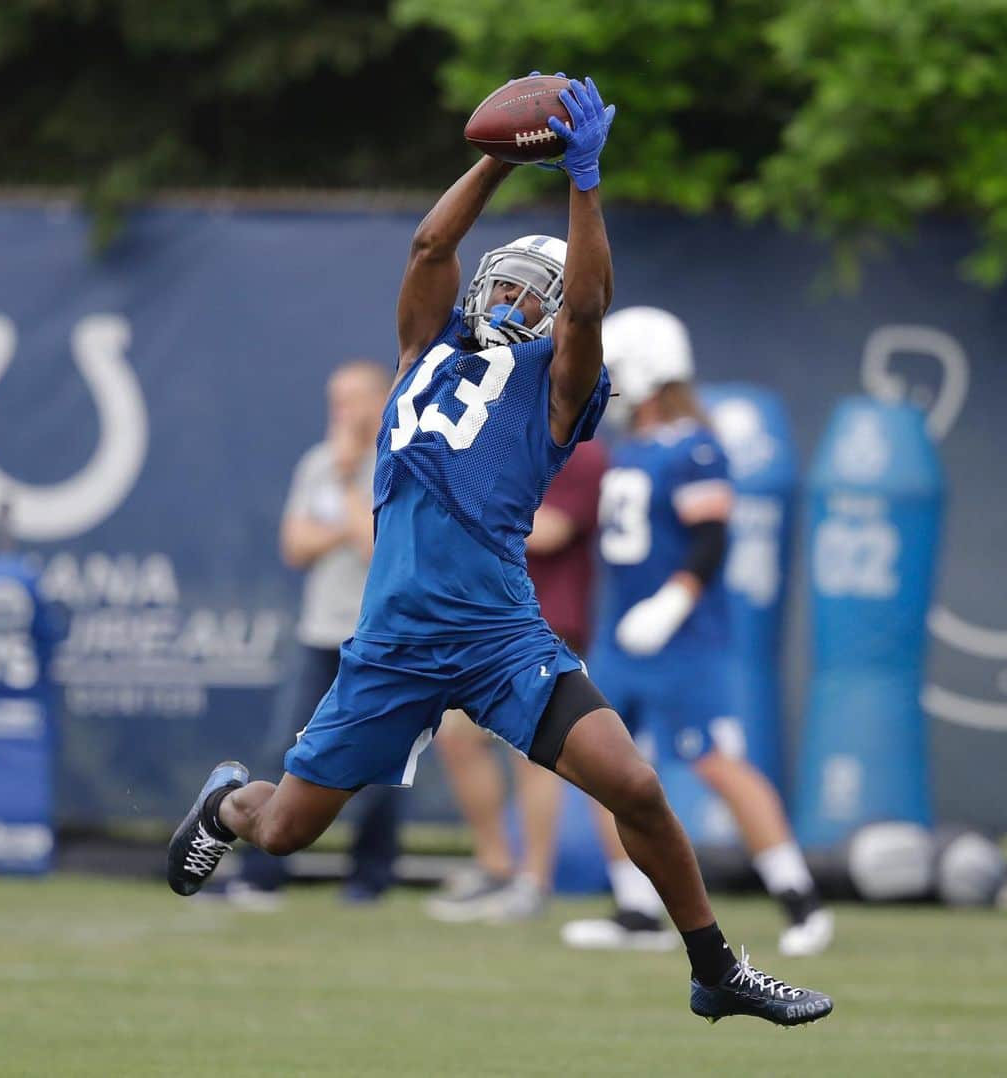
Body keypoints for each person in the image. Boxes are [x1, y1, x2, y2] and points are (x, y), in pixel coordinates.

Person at [167, 75, 832, 1027]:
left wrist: (583, 180)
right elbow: (432, 243)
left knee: (636, 785)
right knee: (279, 833)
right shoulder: (420, 350)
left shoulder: (559, 390)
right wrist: (499, 154)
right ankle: (228, 802)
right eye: (507, 280)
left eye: (536, 291)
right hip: (393, 641)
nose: (514, 295)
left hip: (497, 637)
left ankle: (715, 967)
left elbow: (591, 313)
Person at [561, 306, 834, 957]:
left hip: (683, 639)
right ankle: (636, 909)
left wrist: (672, 604)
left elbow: (711, 541)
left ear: (650, 368)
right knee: (600, 765)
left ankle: (800, 899)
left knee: (717, 763)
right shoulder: (630, 449)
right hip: (621, 637)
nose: (611, 386)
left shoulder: (696, 446)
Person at [217, 358, 399, 910]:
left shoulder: (399, 458)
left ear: (377, 400)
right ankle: (260, 877)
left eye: (350, 400)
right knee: (285, 749)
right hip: (319, 632)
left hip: (378, 638)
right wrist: (345, 511)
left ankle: (369, 879)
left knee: (381, 764)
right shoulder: (318, 463)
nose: (340, 413)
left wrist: (346, 488)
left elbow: (378, 549)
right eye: (334, 401)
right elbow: (295, 546)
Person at [425, 437, 607, 923]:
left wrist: (469, 517)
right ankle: (496, 866)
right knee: (456, 740)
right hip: (489, 617)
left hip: (548, 621)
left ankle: (534, 880)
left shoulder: (582, 453)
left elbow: (550, 530)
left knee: (534, 755)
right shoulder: (502, 443)